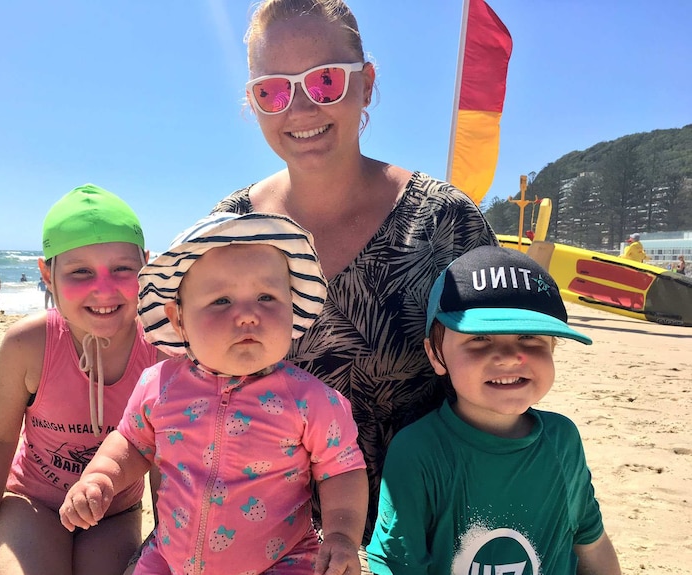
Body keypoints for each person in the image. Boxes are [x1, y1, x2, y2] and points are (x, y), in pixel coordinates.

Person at [210, 0, 497, 549]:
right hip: (262, 544)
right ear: (254, 102)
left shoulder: (444, 223)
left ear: (365, 83)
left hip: (418, 540)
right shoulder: (229, 231)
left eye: (324, 81)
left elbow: (495, 393)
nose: (299, 107)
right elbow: (193, 391)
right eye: (272, 89)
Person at [60, 212, 368, 575]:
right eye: (222, 301)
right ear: (178, 320)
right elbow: (131, 444)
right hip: (172, 557)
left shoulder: (310, 400)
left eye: (267, 297)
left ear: (292, 307)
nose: (248, 315)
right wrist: (100, 478)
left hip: (281, 560)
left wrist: (342, 534)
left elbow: (341, 471)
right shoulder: (160, 385)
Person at [0, 184, 162, 575]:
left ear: (147, 265)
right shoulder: (29, 343)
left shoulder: (159, 349)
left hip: (114, 512)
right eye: (80, 271)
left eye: (122, 268)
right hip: (34, 503)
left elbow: (164, 457)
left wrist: (170, 545)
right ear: (47, 274)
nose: (102, 289)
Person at [367, 246, 621, 575]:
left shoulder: (563, 440)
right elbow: (397, 566)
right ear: (436, 356)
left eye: (529, 336)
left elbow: (591, 543)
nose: (509, 357)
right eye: (480, 338)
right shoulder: (418, 451)